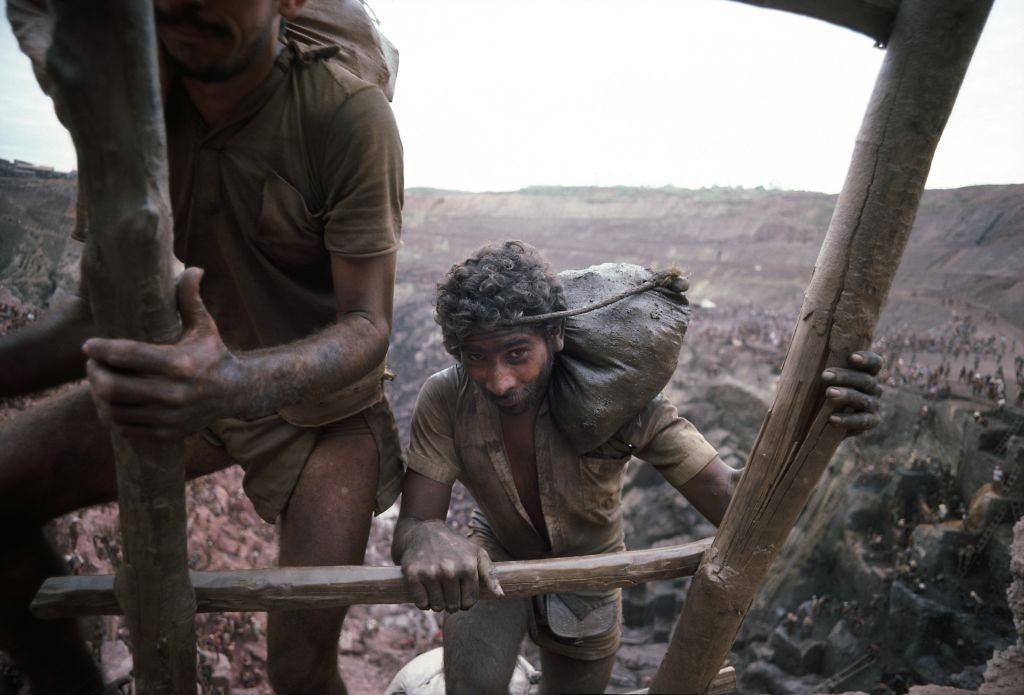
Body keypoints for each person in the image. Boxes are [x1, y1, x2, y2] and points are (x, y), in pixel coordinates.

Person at [0, 1, 403, 693]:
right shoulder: (130, 118)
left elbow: (367, 326)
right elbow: (98, 313)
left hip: (322, 413)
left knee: (299, 668)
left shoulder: (345, 113)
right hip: (191, 383)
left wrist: (232, 383)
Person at [391, 241, 883, 694]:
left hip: (594, 570)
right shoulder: (447, 395)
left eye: (517, 354)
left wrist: (818, 424)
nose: (498, 381)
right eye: (476, 357)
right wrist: (427, 533)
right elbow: (415, 523)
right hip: (494, 557)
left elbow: (732, 504)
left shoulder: (621, 404)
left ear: (556, 335)